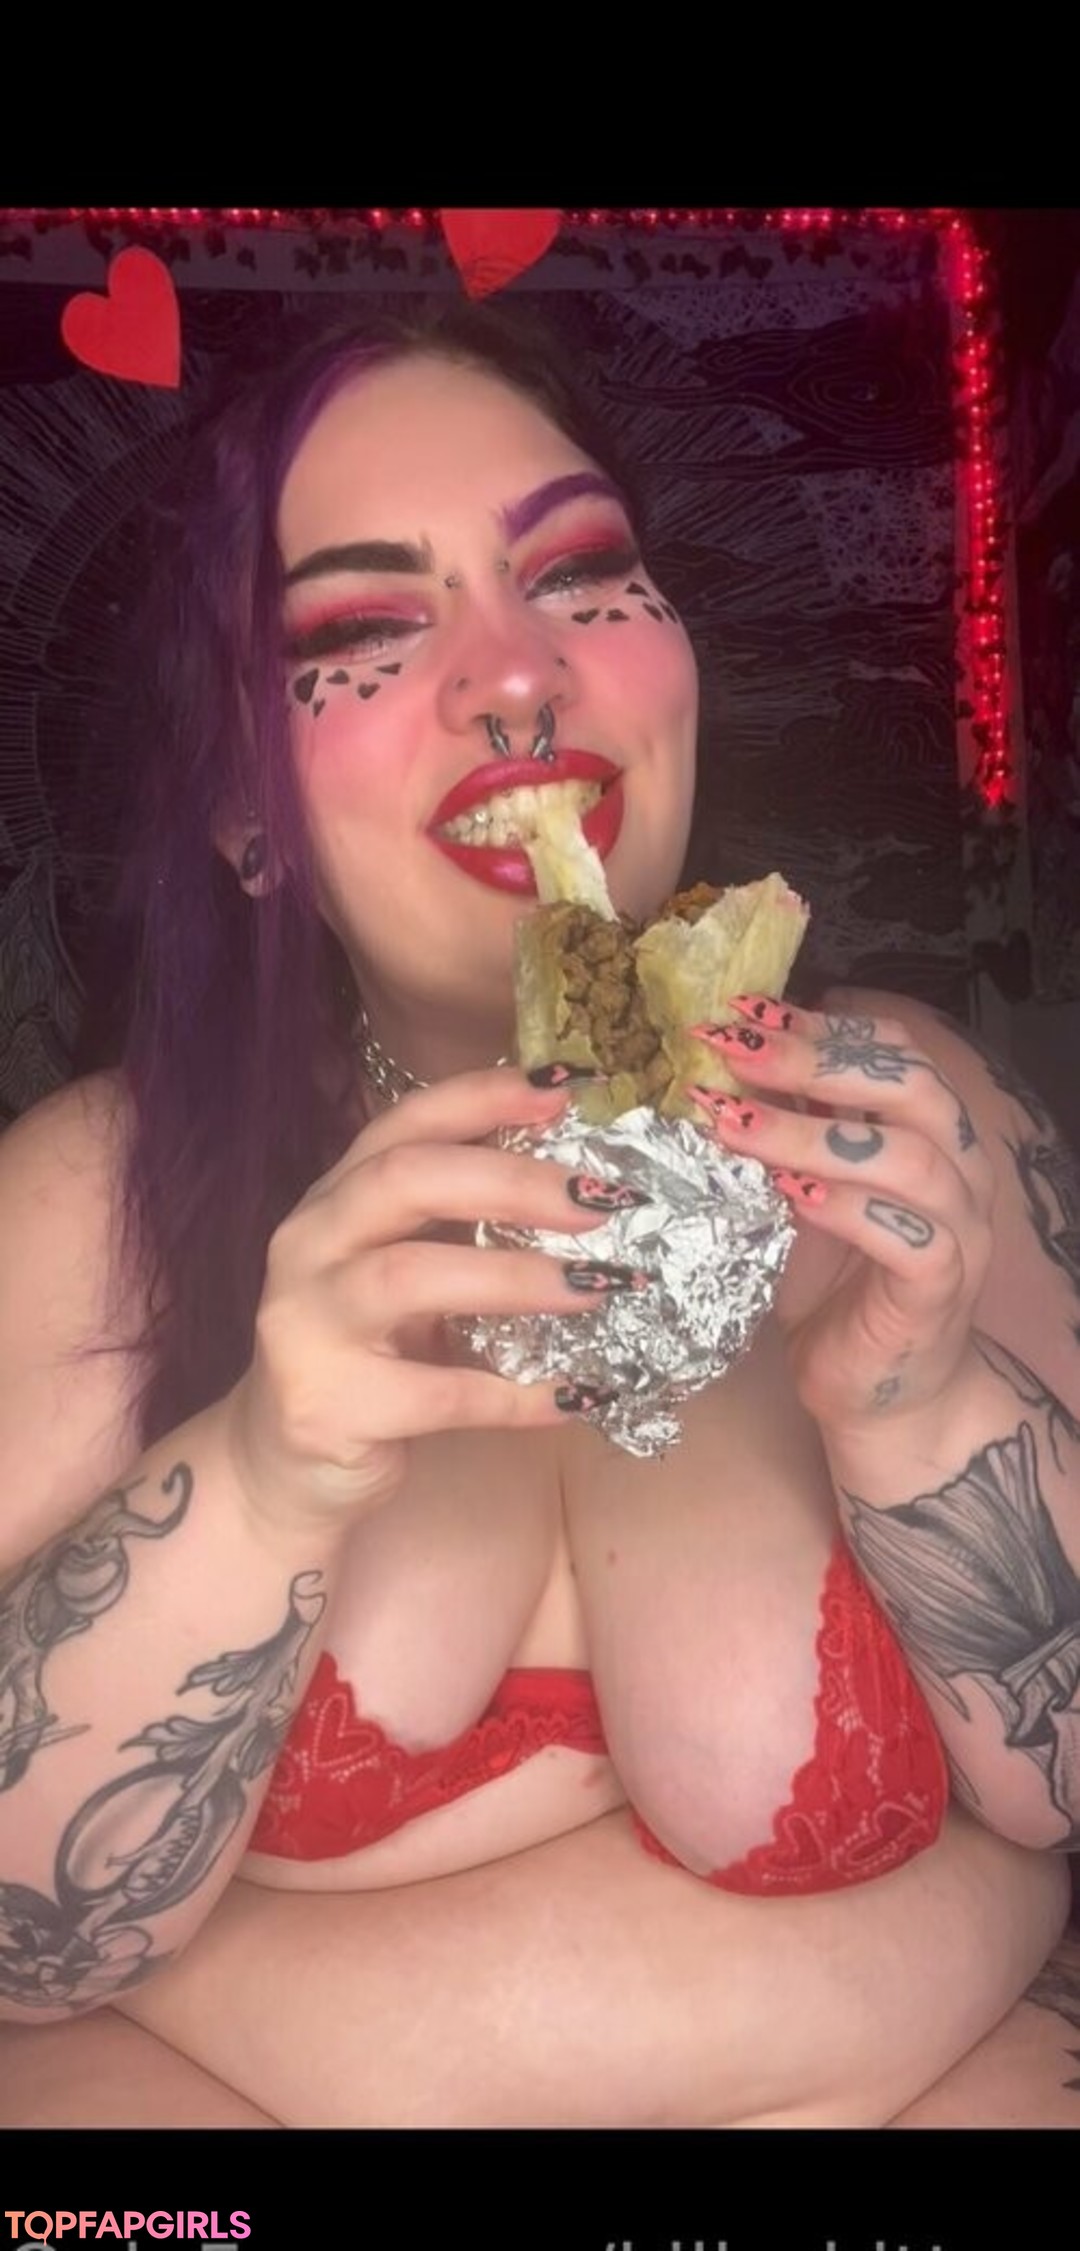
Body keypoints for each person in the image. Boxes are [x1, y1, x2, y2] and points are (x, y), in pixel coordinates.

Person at [0, 301, 1075, 2128]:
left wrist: (921, 1401)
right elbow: (26, 1958)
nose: (515, 677)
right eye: (359, 631)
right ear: (248, 818)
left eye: (577, 575)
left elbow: (1064, 1807)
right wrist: (265, 1479)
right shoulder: (102, 1198)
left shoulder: (915, 1118)